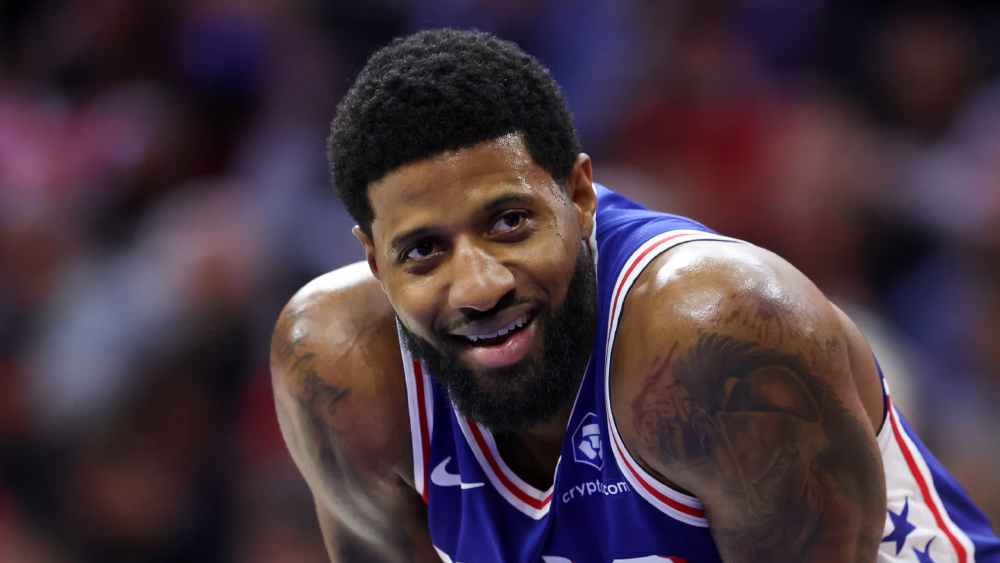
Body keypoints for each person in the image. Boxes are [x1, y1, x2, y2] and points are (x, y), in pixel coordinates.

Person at [271, 29, 1000, 563]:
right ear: (374, 260)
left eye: (510, 222)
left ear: (580, 197)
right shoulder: (338, 371)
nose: (481, 286)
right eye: (424, 251)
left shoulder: (718, 338)